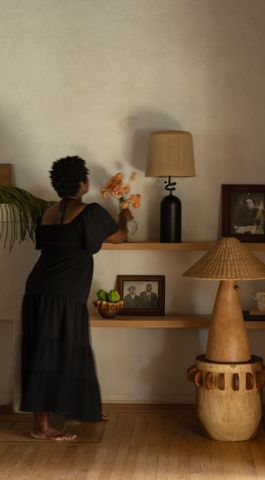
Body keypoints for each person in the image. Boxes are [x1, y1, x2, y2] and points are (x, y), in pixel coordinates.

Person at [20, 156, 132, 441]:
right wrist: (124, 215)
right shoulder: (91, 212)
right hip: (64, 294)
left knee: (42, 352)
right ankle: (42, 429)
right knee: (67, 350)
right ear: (82, 184)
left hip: (36, 288)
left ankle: (84, 410)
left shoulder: (47, 213)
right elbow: (120, 237)